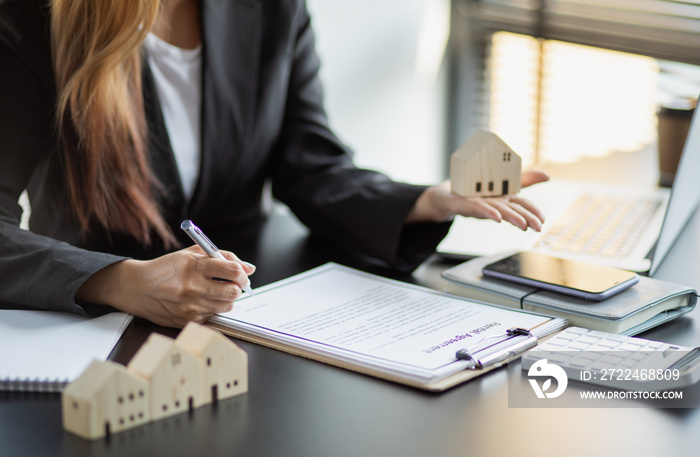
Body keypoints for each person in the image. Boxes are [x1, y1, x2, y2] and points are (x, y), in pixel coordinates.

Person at [0, 0, 547, 328]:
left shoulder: (271, 7)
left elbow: (308, 162)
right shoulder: (31, 19)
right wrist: (118, 281)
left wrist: (425, 199)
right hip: (104, 324)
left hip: (253, 307)